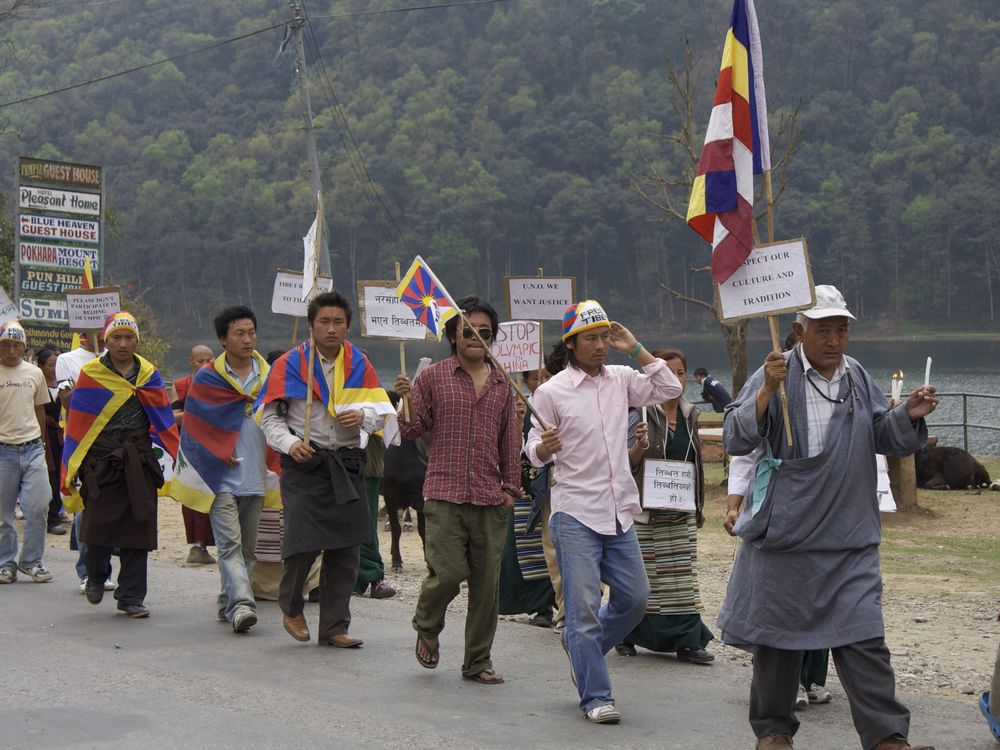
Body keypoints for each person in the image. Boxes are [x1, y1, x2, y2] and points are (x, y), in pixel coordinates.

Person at [719, 285, 938, 750]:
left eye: (842, 330)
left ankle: (888, 737)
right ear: (798, 332)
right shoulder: (771, 373)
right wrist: (767, 391)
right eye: (824, 330)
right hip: (787, 538)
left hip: (849, 536)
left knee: (864, 640)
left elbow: (885, 433)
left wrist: (909, 417)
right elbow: (737, 438)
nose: (835, 340)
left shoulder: (857, 376)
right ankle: (774, 732)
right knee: (777, 645)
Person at [525, 300, 681, 724]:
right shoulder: (550, 391)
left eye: (604, 338)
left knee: (635, 599)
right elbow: (532, 452)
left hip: (618, 510)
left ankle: (581, 648)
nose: (600, 346)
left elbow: (670, 390)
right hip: (574, 512)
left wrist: (636, 348)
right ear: (571, 344)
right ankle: (596, 695)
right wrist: (545, 448)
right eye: (590, 338)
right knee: (584, 608)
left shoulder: (623, 379)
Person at [394, 296, 520, 686]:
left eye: (485, 333)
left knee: (486, 586)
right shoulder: (433, 377)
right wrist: (406, 400)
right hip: (444, 491)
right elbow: (411, 430)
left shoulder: (503, 382)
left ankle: (477, 661)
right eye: (468, 331)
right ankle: (427, 624)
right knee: (448, 573)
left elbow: (509, 439)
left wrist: (511, 488)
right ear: (452, 335)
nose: (476, 338)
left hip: (489, 495)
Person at [259, 291, 396, 648]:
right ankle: (291, 607)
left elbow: (380, 413)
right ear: (311, 325)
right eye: (324, 322)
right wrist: (290, 444)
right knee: (302, 541)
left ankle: (334, 625)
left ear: (347, 326)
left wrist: (363, 416)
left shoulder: (359, 364)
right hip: (306, 463)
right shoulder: (290, 364)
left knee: (346, 548)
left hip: (347, 461)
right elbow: (269, 416)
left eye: (338, 322)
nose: (331, 329)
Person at [62, 312, 179, 617]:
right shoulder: (91, 374)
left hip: (138, 459)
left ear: (136, 340)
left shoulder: (149, 375)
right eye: (117, 337)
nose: (123, 343)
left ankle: (131, 596)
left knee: (138, 528)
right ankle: (96, 578)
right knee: (97, 524)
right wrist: (76, 465)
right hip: (101, 460)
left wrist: (180, 455)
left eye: (129, 337)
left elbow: (163, 419)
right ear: (106, 340)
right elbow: (79, 425)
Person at [616, 348, 715, 664]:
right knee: (646, 581)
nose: (676, 378)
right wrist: (639, 446)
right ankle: (627, 634)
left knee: (681, 580)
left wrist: (698, 507)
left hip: (681, 510)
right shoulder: (639, 414)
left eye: (681, 372)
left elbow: (696, 463)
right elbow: (621, 464)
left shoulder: (691, 415)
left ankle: (687, 641)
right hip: (645, 513)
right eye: (669, 372)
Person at [179, 307, 270, 633]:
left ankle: (226, 601)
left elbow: (281, 418)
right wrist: (217, 449)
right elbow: (194, 425)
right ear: (223, 340)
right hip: (219, 477)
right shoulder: (208, 378)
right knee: (229, 546)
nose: (247, 340)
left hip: (256, 475)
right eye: (239, 334)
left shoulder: (268, 375)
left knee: (247, 550)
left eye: (251, 332)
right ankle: (244, 605)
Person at [55, 330, 115, 592]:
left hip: (113, 443)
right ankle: (87, 572)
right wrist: (94, 378)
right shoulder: (67, 360)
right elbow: (68, 401)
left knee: (109, 507)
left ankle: (103, 571)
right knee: (84, 508)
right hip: (80, 443)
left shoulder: (121, 361)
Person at [498, 368, 556, 628]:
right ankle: (539, 605)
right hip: (525, 487)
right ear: (525, 381)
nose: (541, 381)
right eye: (535, 377)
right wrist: (519, 422)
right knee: (527, 548)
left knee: (553, 547)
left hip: (554, 485)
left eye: (546, 376)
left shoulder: (558, 403)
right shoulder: (516, 407)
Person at [0, 322, 53, 584]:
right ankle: (5, 564)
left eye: (16, 345)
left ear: (24, 347)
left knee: (39, 505)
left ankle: (31, 561)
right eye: (5, 345)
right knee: (3, 515)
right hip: (2, 451)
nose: (11, 350)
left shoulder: (35, 373)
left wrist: (41, 442)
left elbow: (40, 409)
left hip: (33, 448)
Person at [171, 343, 217, 565]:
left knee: (216, 497)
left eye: (209, 360)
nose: (205, 365)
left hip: (216, 446)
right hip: (190, 449)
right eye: (200, 361)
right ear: (191, 361)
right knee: (192, 497)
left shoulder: (220, 384)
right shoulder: (180, 385)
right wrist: (195, 412)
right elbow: (172, 417)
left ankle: (209, 546)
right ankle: (196, 545)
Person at [352, 429, 397, 599]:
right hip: (328, 456)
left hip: (367, 462)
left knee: (367, 521)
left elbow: (388, 420)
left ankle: (372, 575)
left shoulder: (377, 400)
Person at [36, 349, 67, 536]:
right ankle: (52, 517)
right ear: (41, 366)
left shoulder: (64, 386)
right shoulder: (37, 385)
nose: (54, 369)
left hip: (63, 434)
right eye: (50, 365)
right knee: (50, 474)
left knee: (63, 473)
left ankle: (59, 510)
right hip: (46, 434)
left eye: (57, 365)